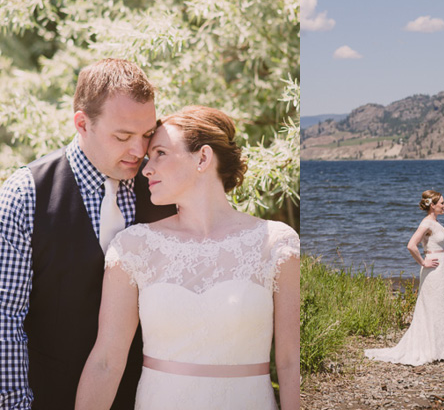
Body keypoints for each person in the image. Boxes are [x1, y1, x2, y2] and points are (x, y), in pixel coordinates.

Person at [73, 106, 303, 410]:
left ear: (203, 158)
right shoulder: (133, 247)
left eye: (160, 154)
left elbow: (290, 362)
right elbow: (105, 362)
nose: (146, 169)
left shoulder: (277, 244)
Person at [0, 58, 175, 410]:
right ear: (82, 123)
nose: (138, 151)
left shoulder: (165, 189)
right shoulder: (26, 194)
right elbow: (5, 320)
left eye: (146, 135)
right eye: (122, 136)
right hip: (49, 398)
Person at [365, 190, 444, 365]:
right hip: (431, 271)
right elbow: (411, 245)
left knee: (439, 307)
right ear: (432, 205)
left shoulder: (436, 223)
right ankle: (428, 349)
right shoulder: (426, 223)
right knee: (430, 307)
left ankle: (439, 349)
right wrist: (423, 262)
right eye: (441, 203)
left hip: (440, 270)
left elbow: (441, 250)